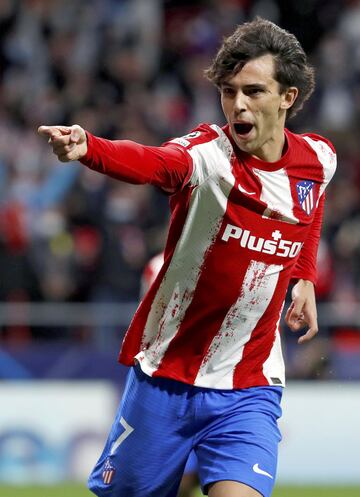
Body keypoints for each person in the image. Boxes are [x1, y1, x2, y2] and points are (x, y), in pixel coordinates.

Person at [38, 17, 336, 497]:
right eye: (228, 91)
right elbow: (153, 161)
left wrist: (302, 277)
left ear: (289, 97)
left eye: (253, 91)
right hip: (166, 382)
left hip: (249, 385)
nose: (237, 104)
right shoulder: (206, 156)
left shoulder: (318, 160)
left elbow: (310, 212)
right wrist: (89, 148)